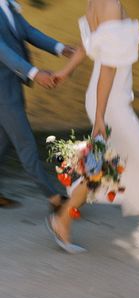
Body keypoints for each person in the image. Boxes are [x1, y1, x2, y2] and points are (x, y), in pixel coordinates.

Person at [48, 0, 139, 257]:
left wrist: (65, 72)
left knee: (107, 167)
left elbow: (89, 45)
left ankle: (64, 219)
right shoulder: (110, 5)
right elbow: (108, 67)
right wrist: (101, 117)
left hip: (108, 99)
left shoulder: (96, 3)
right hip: (110, 102)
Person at [0, 0, 74, 210]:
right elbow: (3, 51)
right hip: (2, 93)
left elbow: (28, 31)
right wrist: (34, 73)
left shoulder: (6, 4)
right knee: (26, 144)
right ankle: (54, 198)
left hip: (10, 85)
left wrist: (61, 48)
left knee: (3, 142)